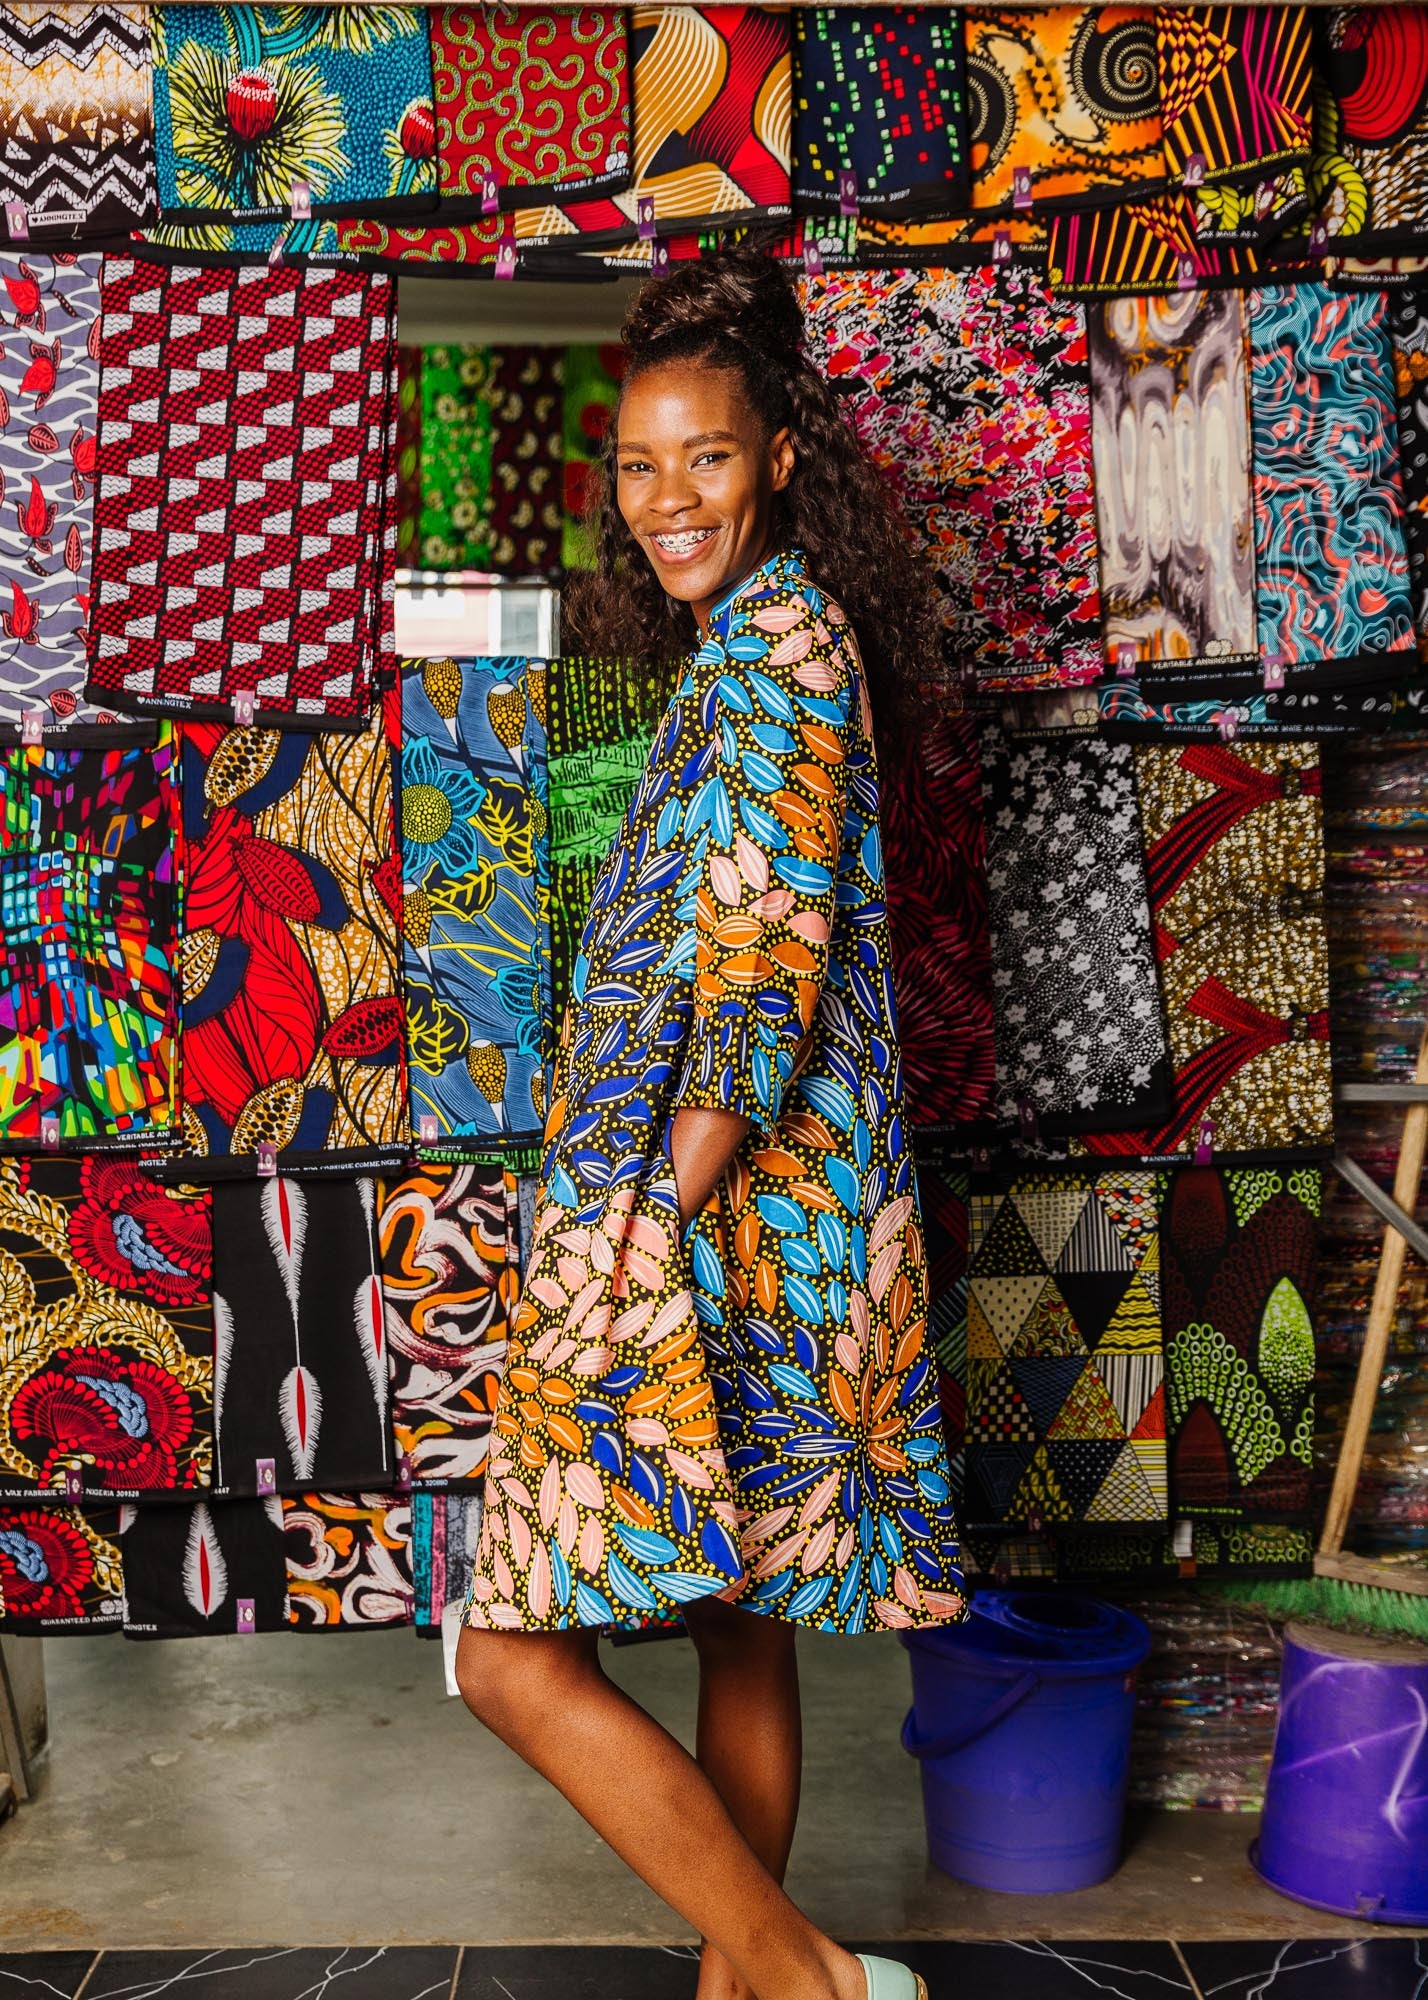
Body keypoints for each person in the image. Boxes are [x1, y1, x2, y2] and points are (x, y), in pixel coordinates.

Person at [455, 251, 966, 2000]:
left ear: (780, 460)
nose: (673, 500)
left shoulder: (779, 656)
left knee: (504, 1657)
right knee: (742, 1629)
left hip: (710, 1224)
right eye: (643, 466)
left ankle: (809, 1981)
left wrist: (628, 1231)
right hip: (754, 1232)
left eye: (711, 459)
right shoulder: (758, 643)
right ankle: (753, 1992)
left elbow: (753, 1014)